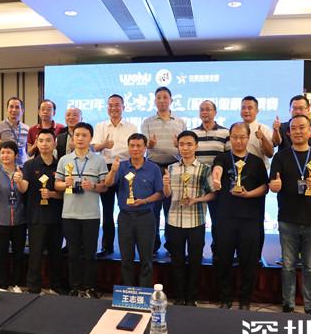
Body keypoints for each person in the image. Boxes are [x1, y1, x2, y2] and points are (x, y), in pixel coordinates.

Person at [269, 114, 311, 314]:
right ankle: (288, 303)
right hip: (288, 218)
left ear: (310, 132)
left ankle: (309, 305)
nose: (298, 131)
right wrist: (274, 185)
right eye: (294, 128)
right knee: (288, 265)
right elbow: (272, 184)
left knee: (310, 267)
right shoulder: (281, 156)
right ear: (288, 133)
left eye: (302, 127)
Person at [212, 122, 268, 310]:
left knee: (248, 261)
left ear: (248, 137)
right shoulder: (222, 158)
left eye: (242, 137)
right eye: (234, 137)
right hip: (225, 218)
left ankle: (245, 300)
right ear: (230, 137)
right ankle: (225, 298)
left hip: (250, 219)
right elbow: (218, 169)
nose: (238, 141)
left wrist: (249, 194)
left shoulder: (257, 161)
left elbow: (265, 187)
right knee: (223, 259)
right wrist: (216, 179)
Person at [55, 122, 108, 298]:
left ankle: (89, 287)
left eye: (84, 135)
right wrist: (65, 184)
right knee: (73, 253)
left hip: (91, 215)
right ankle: (75, 287)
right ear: (73, 138)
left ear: (91, 138)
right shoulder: (64, 160)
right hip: (69, 214)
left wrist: (93, 186)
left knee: (90, 254)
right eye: (77, 135)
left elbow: (104, 187)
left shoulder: (99, 160)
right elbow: (56, 185)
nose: (80, 138)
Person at [163, 131, 215, 306]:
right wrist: (166, 186)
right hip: (174, 221)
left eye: (189, 144)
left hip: (196, 221)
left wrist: (196, 200)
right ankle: (179, 297)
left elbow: (213, 194)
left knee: (194, 261)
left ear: (196, 146)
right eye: (181, 144)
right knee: (176, 261)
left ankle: (192, 298)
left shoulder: (204, 169)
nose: (185, 148)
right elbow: (167, 195)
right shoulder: (171, 168)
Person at [104, 133, 163, 287]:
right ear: (128, 147)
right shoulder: (121, 166)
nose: (135, 149)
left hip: (146, 217)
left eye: (139, 146)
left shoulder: (154, 168)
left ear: (145, 147)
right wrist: (113, 171)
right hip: (125, 218)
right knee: (126, 259)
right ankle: (128, 291)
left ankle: (144, 293)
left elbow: (160, 193)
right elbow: (107, 184)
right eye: (132, 146)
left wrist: (145, 201)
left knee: (146, 259)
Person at [141, 86, 187, 253]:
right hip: (153, 168)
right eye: (158, 97)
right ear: (154, 101)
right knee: (154, 207)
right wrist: (149, 144)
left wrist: (178, 145)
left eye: (165, 97)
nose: (161, 100)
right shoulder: (147, 122)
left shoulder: (180, 122)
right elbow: (143, 145)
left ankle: (171, 244)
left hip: (174, 168)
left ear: (171, 100)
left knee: (171, 208)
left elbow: (185, 146)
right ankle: (153, 245)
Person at [92, 94, 137, 257]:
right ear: (107, 108)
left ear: (123, 107)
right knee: (107, 210)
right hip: (106, 168)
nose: (114, 108)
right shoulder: (100, 126)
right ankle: (107, 246)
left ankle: (129, 246)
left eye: (117, 105)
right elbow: (94, 148)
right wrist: (104, 144)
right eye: (110, 105)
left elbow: (134, 148)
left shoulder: (131, 127)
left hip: (126, 167)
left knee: (128, 207)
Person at [22, 129, 66, 295]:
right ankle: (33, 287)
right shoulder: (29, 165)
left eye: (48, 140)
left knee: (56, 254)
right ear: (36, 144)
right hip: (36, 217)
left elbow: (66, 193)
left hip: (56, 217)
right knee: (35, 254)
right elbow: (24, 189)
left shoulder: (61, 165)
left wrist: (52, 194)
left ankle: (56, 286)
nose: (44, 144)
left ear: (54, 143)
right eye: (41, 141)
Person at [0, 140, 27, 292]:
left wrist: (20, 181)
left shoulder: (22, 171)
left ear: (16, 155)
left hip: (20, 219)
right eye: (2, 152)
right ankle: (2, 284)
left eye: (9, 152)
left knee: (18, 254)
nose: (5, 155)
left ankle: (16, 284)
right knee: (1, 254)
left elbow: (25, 191)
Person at [191, 100, 229, 262]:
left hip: (216, 183)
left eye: (208, 109)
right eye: (202, 110)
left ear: (215, 112)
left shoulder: (225, 133)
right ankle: (195, 252)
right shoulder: (192, 133)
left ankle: (217, 250)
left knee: (218, 220)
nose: (205, 112)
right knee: (196, 221)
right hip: (196, 183)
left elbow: (229, 158)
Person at [240, 96, 274, 265]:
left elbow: (270, 153)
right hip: (238, 178)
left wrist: (262, 138)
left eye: (250, 107)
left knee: (257, 220)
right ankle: (239, 253)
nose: (246, 110)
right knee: (238, 219)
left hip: (257, 178)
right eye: (243, 107)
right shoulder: (237, 128)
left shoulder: (264, 129)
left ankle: (256, 255)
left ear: (257, 110)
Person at [0, 97, 29, 166]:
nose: (14, 110)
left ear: (22, 110)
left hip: (21, 166)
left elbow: (27, 150)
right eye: (11, 107)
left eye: (17, 107)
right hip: (3, 167)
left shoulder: (26, 129)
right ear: (7, 109)